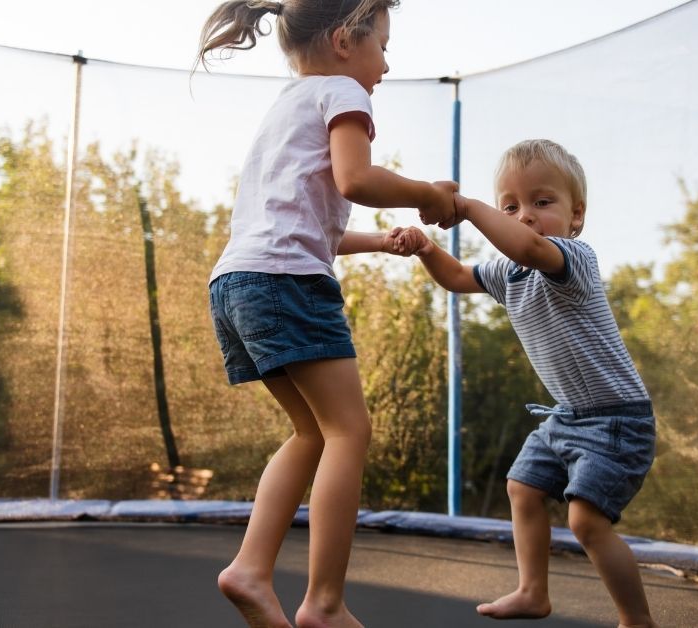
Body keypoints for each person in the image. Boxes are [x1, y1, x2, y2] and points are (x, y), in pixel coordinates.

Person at [195, 1, 457, 626]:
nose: (386, 65)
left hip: (237, 282)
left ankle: (252, 570)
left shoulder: (285, 107)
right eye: (384, 47)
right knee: (348, 431)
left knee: (312, 432)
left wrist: (379, 242)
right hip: (286, 283)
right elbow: (355, 180)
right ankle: (324, 604)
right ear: (345, 41)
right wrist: (427, 195)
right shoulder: (343, 91)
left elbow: (316, 226)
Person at [396, 139, 659, 628]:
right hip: (565, 416)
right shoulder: (507, 274)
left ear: (575, 215)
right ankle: (532, 592)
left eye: (542, 202)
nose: (525, 217)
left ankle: (636, 619)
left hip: (617, 420)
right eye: (510, 206)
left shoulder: (572, 257)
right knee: (522, 486)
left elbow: (530, 246)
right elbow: (455, 276)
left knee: (585, 522)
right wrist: (427, 248)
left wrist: (471, 208)